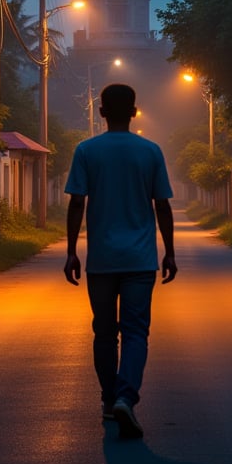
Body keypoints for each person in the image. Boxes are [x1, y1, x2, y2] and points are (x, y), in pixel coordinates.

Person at [64, 82, 177, 440]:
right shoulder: (150, 152)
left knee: (104, 333)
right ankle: (127, 396)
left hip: (101, 261)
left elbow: (77, 203)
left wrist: (71, 252)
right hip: (141, 260)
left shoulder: (86, 151)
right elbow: (162, 204)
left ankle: (109, 399)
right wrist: (169, 251)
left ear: (100, 113)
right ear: (134, 112)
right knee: (135, 333)